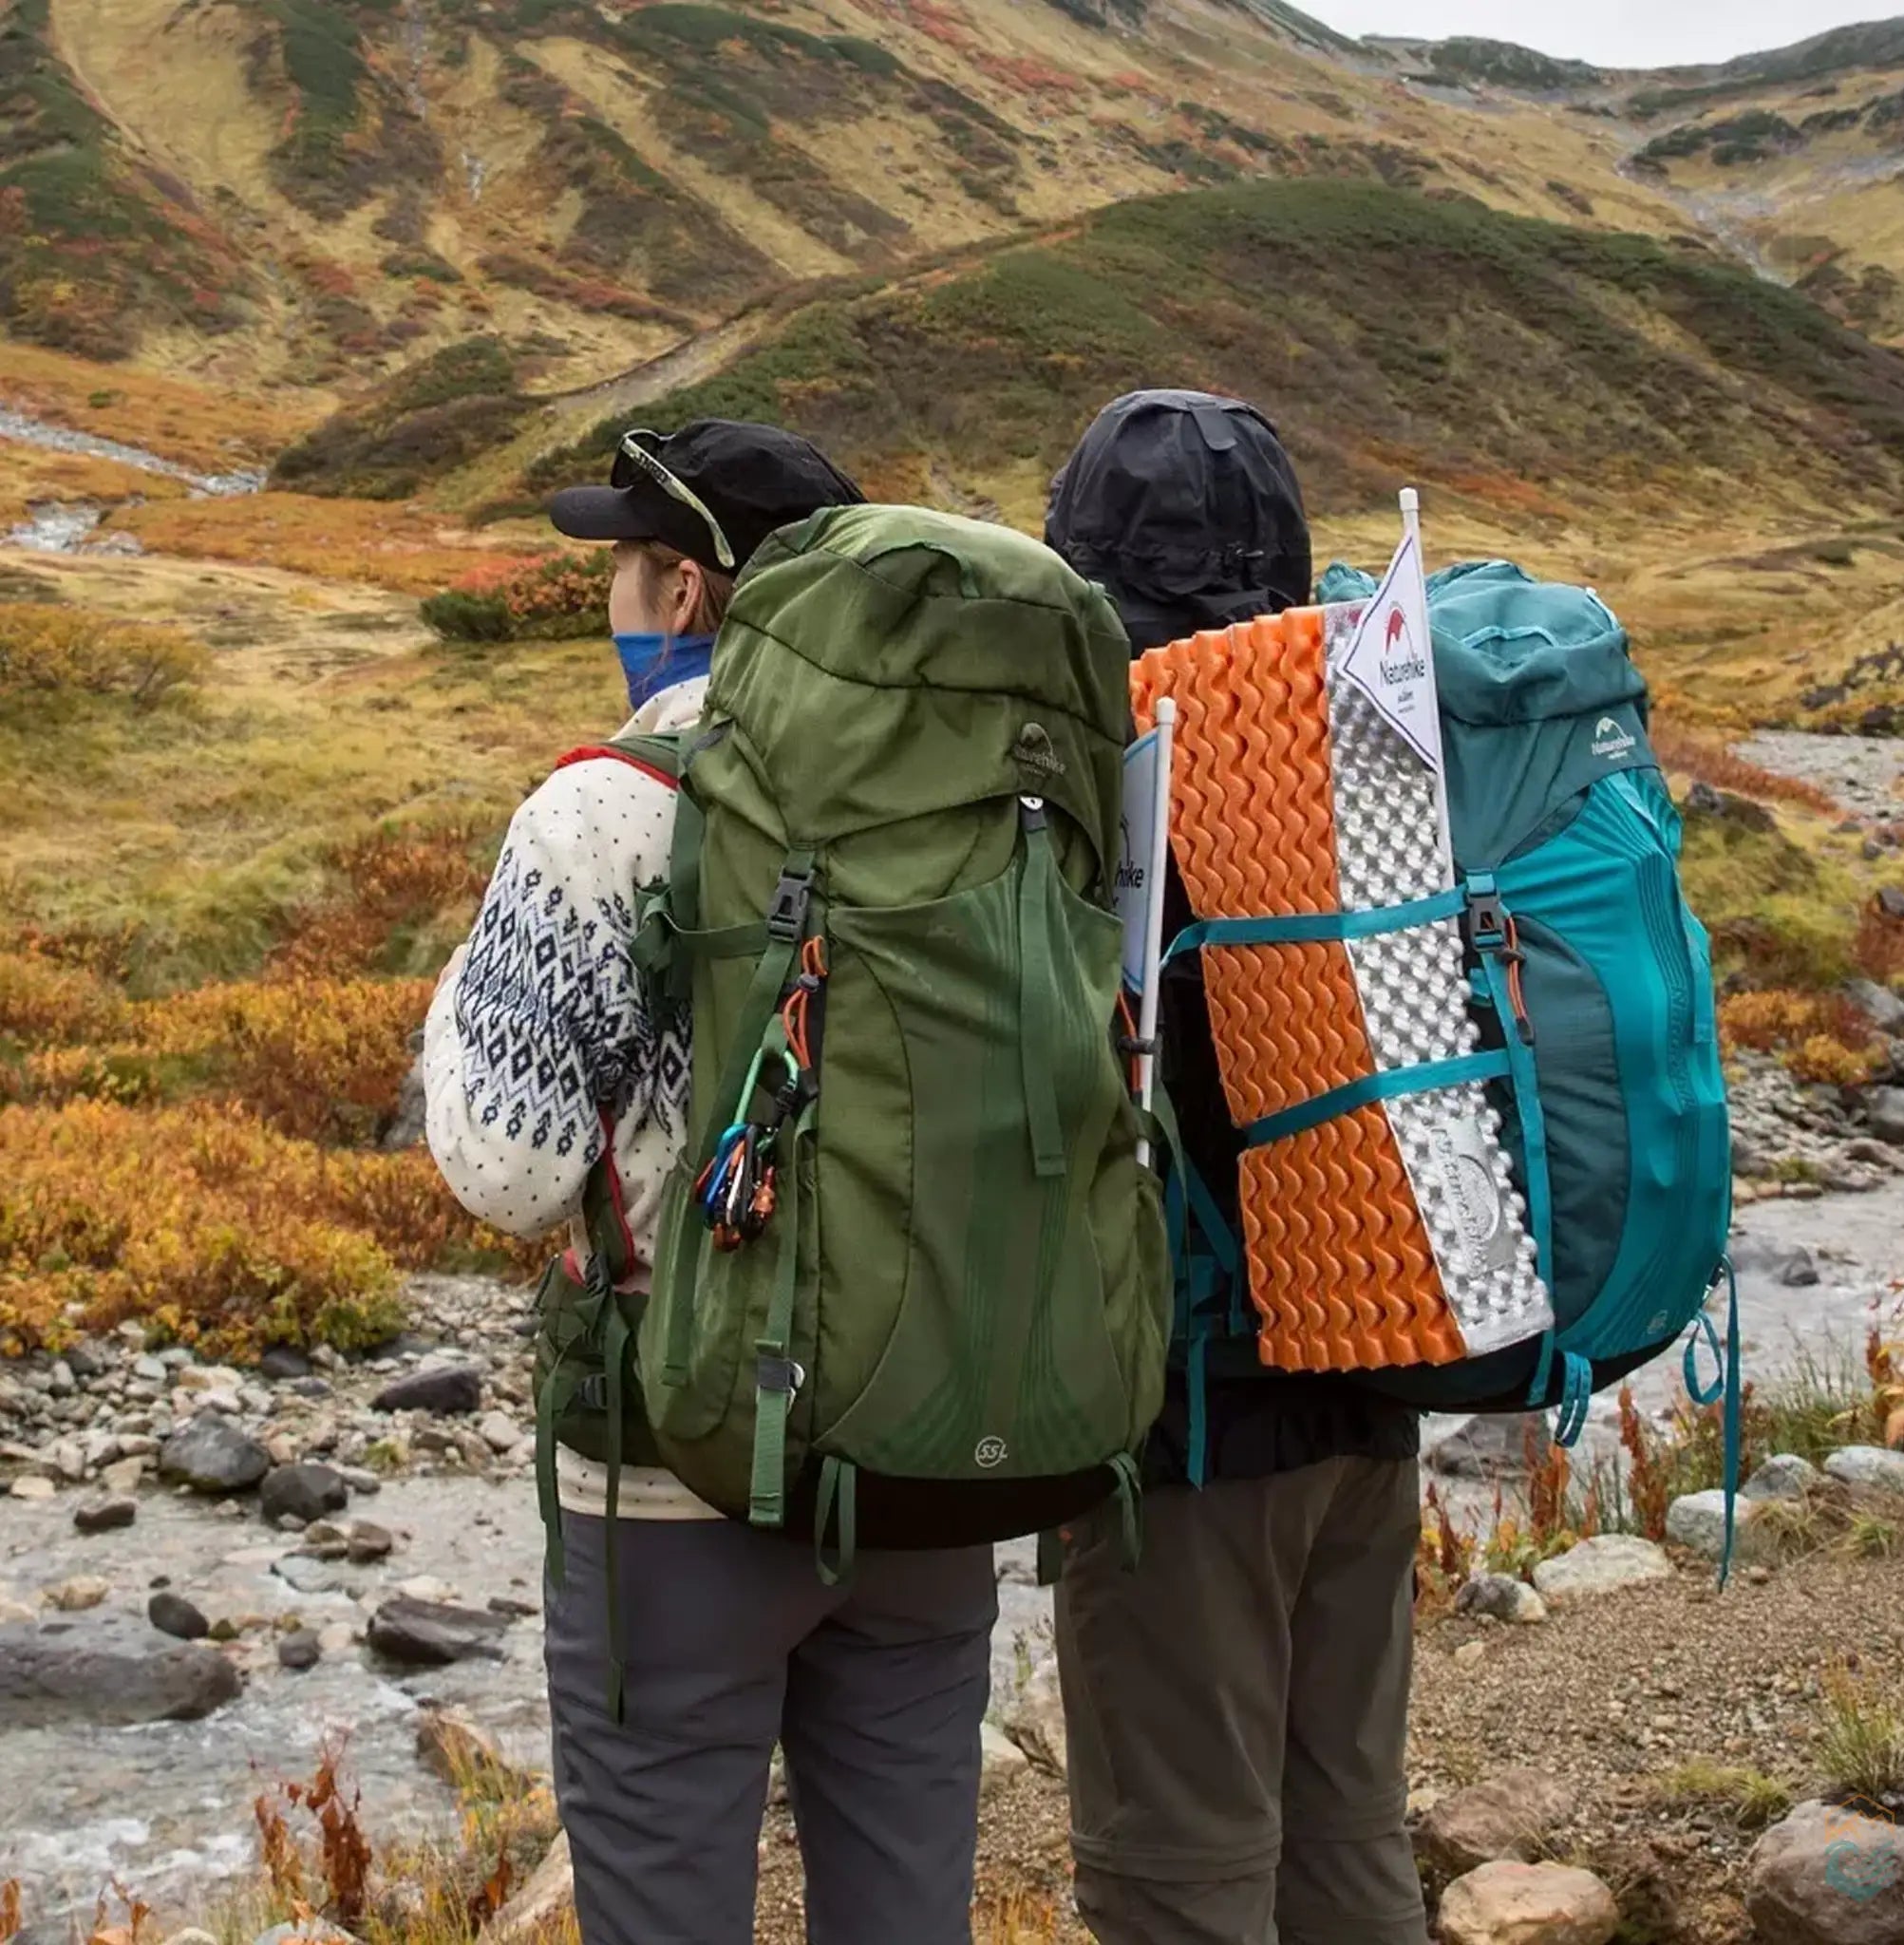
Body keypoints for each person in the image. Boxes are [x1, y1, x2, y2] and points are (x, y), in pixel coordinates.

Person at [423, 422, 1001, 1945]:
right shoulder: (976, 795)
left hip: (674, 1460)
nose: (609, 591)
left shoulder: (601, 809)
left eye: (619, 561)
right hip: (937, 1438)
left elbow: (511, 1166)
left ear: (683, 589)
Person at [1043, 390, 1430, 1945]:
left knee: (1178, 1878)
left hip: (1189, 1431)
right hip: (1384, 1374)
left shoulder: (1106, 787)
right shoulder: (1377, 739)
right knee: (1346, 1833)